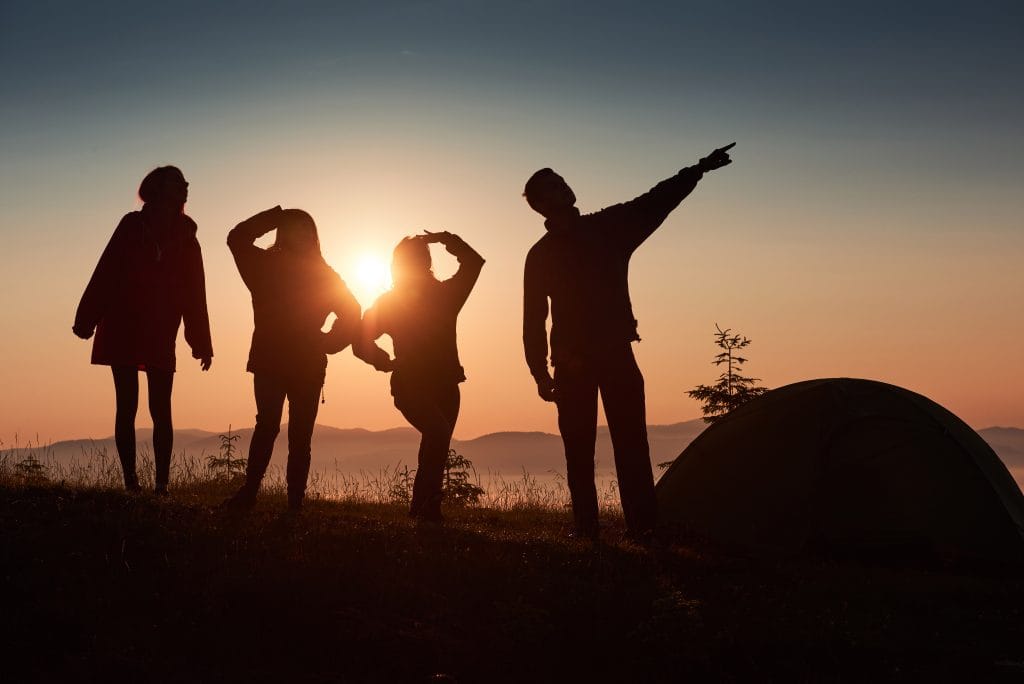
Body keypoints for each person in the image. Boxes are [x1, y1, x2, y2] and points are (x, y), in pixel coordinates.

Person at [522, 143, 735, 539]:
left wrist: (697, 170)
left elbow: (654, 201)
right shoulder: (543, 254)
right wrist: (539, 371)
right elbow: (533, 318)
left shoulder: (607, 228)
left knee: (631, 443)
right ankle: (588, 530)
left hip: (615, 354)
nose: (564, 186)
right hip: (571, 364)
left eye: (562, 180)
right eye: (553, 186)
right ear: (541, 204)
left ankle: (643, 529)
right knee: (580, 449)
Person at [73, 165, 213, 494]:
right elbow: (106, 271)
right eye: (178, 183)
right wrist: (86, 319)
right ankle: (132, 484)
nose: (186, 188)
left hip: (161, 329)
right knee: (127, 405)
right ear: (159, 190)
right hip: (122, 323)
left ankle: (161, 486)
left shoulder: (187, 235)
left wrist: (201, 342)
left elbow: (196, 293)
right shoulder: (131, 226)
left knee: (161, 408)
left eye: (185, 183)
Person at [224, 206, 360, 511]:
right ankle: (259, 497)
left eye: (303, 228)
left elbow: (352, 312)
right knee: (274, 428)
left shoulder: (304, 271)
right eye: (293, 227)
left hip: (297, 362)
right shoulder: (279, 267)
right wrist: (277, 214)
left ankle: (286, 502)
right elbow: (236, 239)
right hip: (280, 361)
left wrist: (330, 342)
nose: (300, 234)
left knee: (293, 433)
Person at [354, 231, 484, 522]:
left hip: (446, 384)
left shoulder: (444, 295)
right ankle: (426, 508)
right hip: (410, 384)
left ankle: (425, 510)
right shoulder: (393, 302)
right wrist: (383, 361)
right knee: (437, 434)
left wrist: (447, 238)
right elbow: (360, 341)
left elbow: (475, 263)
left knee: (435, 445)